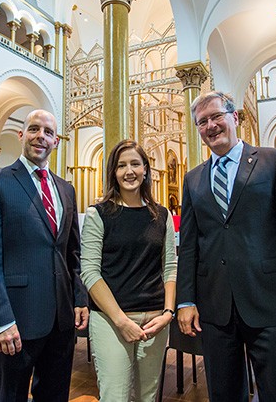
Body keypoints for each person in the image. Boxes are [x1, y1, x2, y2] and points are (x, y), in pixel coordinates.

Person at [176, 91, 276, 402]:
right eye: (202, 122)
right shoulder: (193, 179)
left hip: (271, 305)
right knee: (224, 395)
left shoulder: (273, 161)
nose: (211, 125)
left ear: (234, 117)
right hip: (216, 309)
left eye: (216, 117)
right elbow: (188, 247)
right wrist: (185, 300)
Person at [0, 109, 89, 402]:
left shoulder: (66, 189)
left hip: (61, 319)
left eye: (48, 132)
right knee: (12, 396)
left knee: (55, 395)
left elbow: (73, 251)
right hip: (17, 319)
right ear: (21, 135)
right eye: (34, 129)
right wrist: (0, 320)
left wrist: (80, 298)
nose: (40, 137)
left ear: (56, 141)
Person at [80, 139, 177, 402]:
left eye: (135, 163)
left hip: (155, 320)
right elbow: (89, 271)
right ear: (113, 172)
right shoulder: (98, 214)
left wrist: (168, 313)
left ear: (146, 169)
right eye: (121, 165)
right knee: (115, 397)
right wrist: (122, 321)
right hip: (111, 320)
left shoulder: (162, 215)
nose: (129, 171)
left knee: (148, 396)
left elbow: (169, 267)